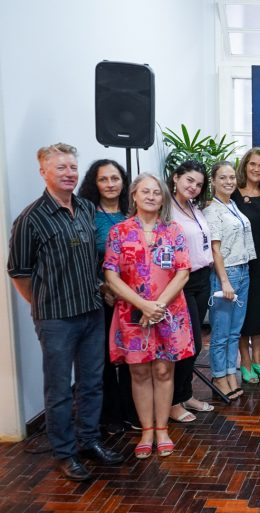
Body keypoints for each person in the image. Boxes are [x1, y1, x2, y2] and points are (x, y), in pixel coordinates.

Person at [8, 143, 124, 481]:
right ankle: (64, 452)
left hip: (91, 312)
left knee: (91, 384)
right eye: (61, 168)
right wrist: (42, 305)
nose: (69, 173)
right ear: (43, 172)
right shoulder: (31, 218)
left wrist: (100, 287)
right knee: (59, 391)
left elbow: (90, 261)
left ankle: (89, 441)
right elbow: (19, 272)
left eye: (73, 167)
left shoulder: (86, 208)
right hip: (56, 319)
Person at [104, 173, 195, 459]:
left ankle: (162, 429)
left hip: (168, 312)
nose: (152, 196)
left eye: (157, 192)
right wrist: (143, 305)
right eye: (145, 191)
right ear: (134, 195)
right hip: (132, 313)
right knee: (139, 372)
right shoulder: (119, 231)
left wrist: (157, 306)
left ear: (163, 198)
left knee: (164, 370)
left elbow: (183, 272)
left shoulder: (173, 230)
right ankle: (146, 431)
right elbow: (110, 275)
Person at [78, 159, 138, 434]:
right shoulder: (87, 216)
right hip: (103, 298)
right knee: (103, 357)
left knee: (132, 356)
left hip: (135, 298)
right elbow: (82, 260)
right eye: (104, 179)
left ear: (124, 182)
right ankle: (111, 414)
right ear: (95, 183)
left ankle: (131, 410)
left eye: (115, 178)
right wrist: (102, 286)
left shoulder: (134, 212)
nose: (111, 184)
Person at [204, 161, 257, 398]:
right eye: (223, 178)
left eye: (232, 177)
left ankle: (229, 373)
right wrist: (224, 281)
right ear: (213, 181)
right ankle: (218, 376)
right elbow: (215, 249)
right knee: (221, 332)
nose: (229, 182)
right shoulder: (212, 210)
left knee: (235, 331)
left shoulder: (232, 204)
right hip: (226, 274)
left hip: (243, 271)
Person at [168, 160, 215, 421]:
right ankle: (174, 402)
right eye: (189, 180)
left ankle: (185, 395)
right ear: (176, 178)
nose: (194, 187)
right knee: (189, 343)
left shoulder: (194, 207)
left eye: (198, 184)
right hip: (180, 281)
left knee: (193, 345)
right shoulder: (166, 209)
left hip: (201, 278)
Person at [232, 147, 260, 382]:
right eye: (253, 164)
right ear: (245, 165)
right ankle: (245, 360)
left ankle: (258, 357)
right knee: (242, 311)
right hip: (238, 263)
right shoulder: (232, 194)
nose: (257, 169)